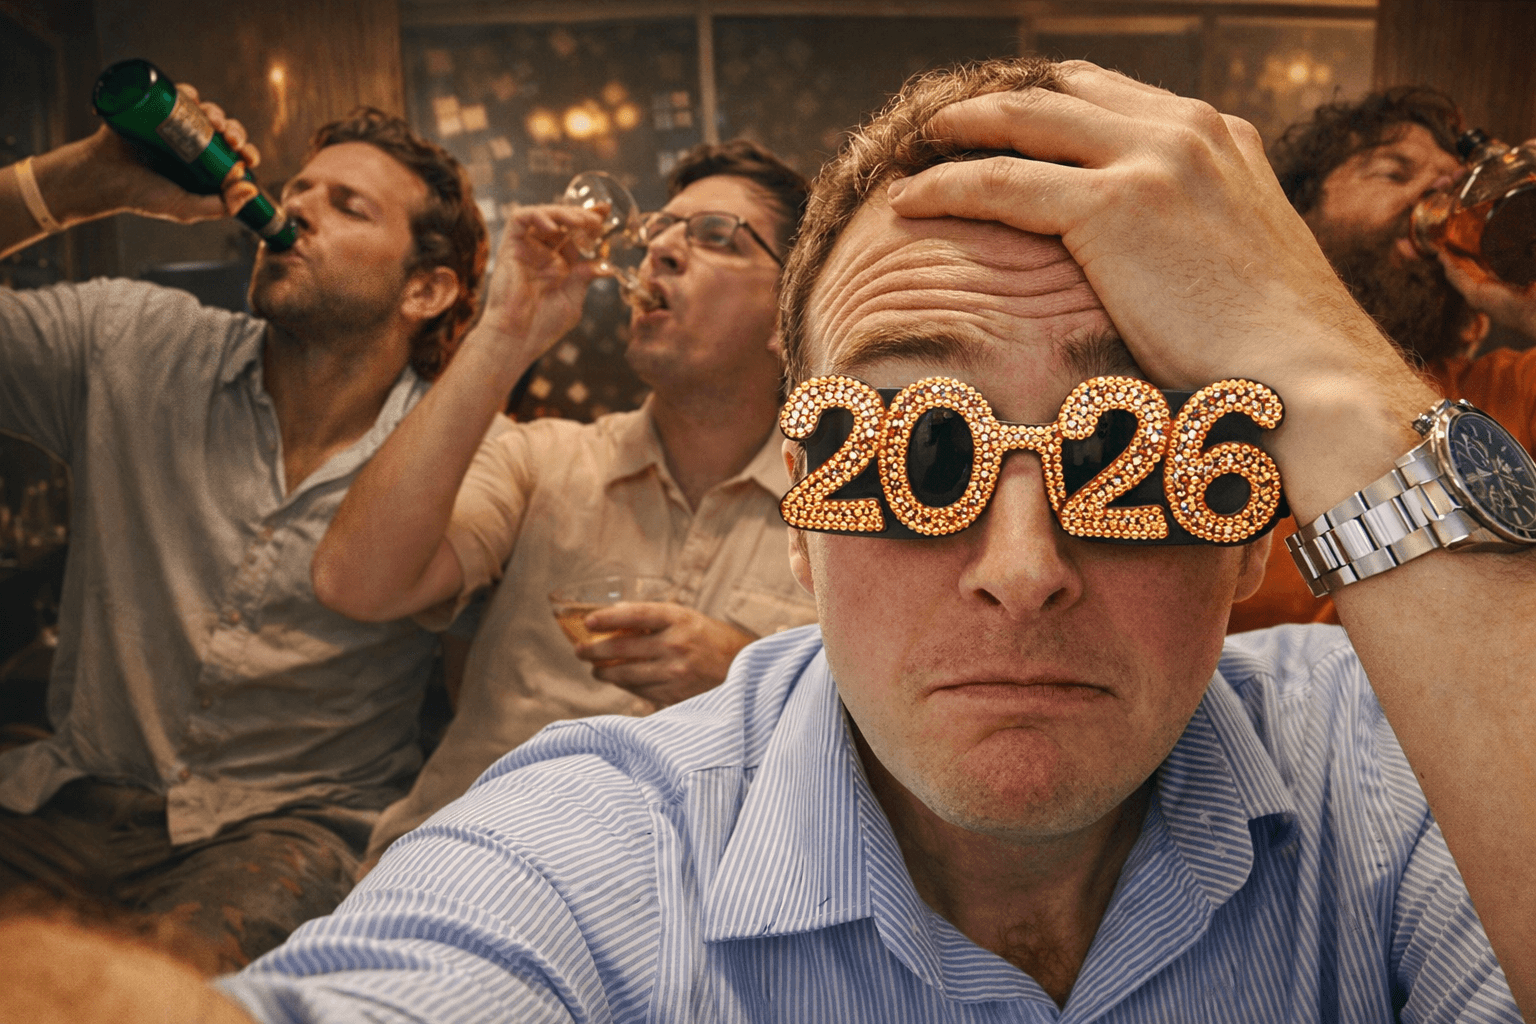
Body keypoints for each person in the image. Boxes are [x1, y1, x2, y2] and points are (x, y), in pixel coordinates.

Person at [10, 55, 1536, 1022]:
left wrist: (1324, 371)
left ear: (1245, 519)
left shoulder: (1397, 778)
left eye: (1131, 453)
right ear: (798, 519)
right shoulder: (607, 847)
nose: (1021, 565)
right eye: (910, 449)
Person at [0, 90, 486, 968]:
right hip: (67, 804)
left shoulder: (463, 457)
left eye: (349, 205)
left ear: (426, 287)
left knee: (163, 992)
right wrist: (80, 180)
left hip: (286, 836)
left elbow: (484, 694)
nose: (296, 208)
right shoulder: (128, 342)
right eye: (298, 189)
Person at [310, 139, 818, 869]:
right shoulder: (540, 459)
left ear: (789, 316)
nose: (662, 253)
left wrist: (750, 677)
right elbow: (354, 582)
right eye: (657, 234)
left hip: (682, 904)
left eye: (713, 237)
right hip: (464, 865)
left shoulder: (842, 512)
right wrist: (507, 330)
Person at [1229, 87, 1536, 632]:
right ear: (1297, 213)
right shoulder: (1218, 381)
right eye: (1396, 174)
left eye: (1450, 188)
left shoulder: (1501, 396)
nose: (1431, 200)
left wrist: (1526, 293)